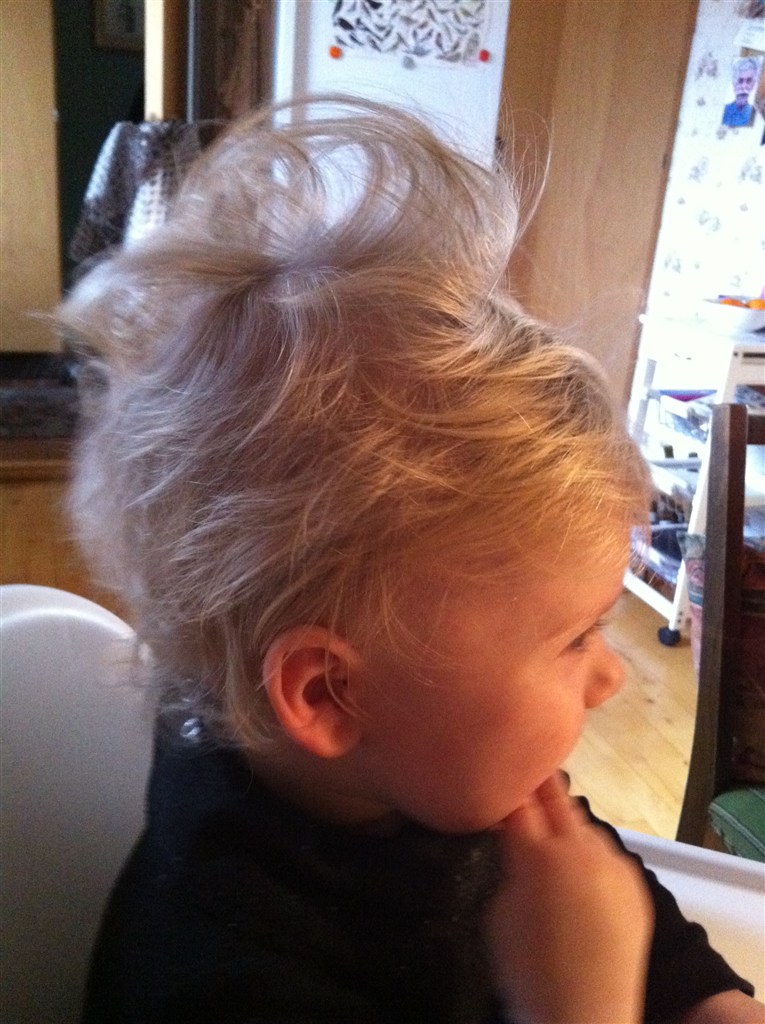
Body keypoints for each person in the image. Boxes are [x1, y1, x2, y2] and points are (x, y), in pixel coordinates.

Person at [60, 97, 762, 1024]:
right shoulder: (220, 978)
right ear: (329, 695)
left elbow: (594, 888)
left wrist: (702, 997)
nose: (609, 678)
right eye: (573, 638)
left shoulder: (446, 775)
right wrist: (579, 1005)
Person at [722, 57, 760, 127]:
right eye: (740, 81)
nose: (744, 86)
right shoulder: (723, 110)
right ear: (734, 83)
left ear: (753, 84)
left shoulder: (756, 115)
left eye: (749, 81)